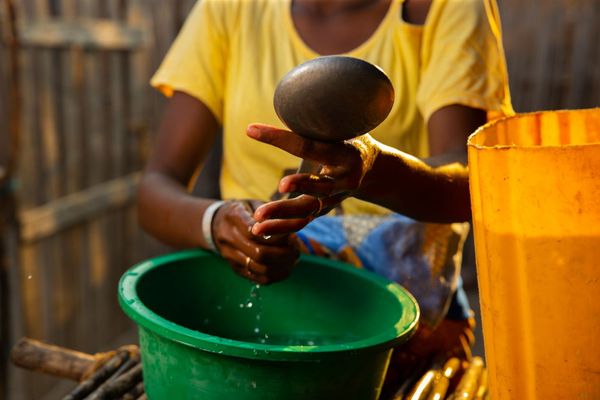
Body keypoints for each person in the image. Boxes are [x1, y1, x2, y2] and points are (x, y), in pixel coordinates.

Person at [138, 0, 512, 390]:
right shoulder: (230, 9)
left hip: (403, 332)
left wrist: (373, 168)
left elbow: (474, 185)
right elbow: (154, 192)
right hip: (251, 312)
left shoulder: (443, 7)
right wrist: (218, 222)